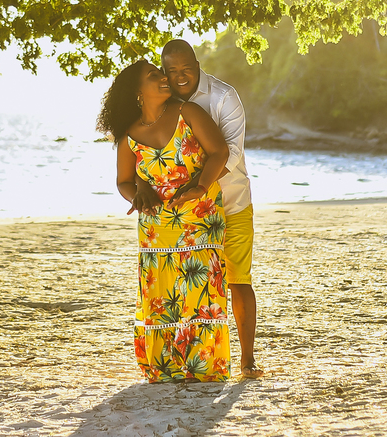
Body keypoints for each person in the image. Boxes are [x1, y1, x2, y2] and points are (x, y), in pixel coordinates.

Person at [130, 39, 264, 379]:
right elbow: (143, 150)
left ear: (197, 64)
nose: (180, 76)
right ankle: (186, 359)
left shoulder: (222, 97)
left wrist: (197, 183)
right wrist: (141, 183)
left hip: (230, 203)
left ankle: (247, 361)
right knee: (187, 287)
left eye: (186, 68)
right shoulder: (162, 102)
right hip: (185, 218)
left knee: (237, 280)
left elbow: (230, 153)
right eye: (171, 71)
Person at [97, 59, 232, 383]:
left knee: (202, 289)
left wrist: (200, 186)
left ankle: (205, 365)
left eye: (161, 74)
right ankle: (165, 367)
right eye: (154, 76)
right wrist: (138, 195)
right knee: (163, 292)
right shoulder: (129, 135)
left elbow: (220, 152)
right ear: (137, 92)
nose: (164, 78)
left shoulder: (188, 113)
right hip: (156, 227)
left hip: (199, 216)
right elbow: (124, 181)